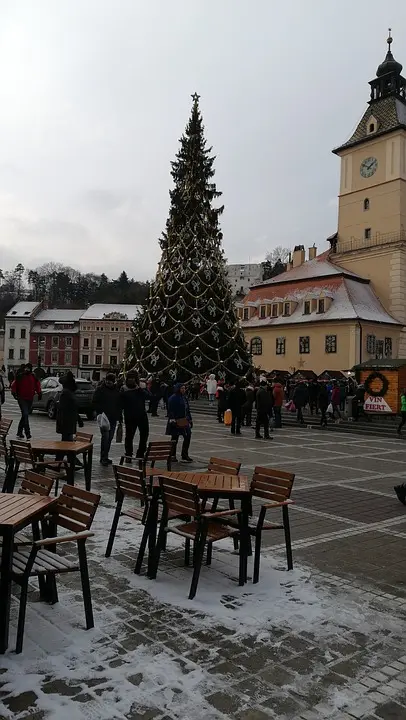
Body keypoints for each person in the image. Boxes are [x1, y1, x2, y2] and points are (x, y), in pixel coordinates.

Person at [93, 372, 122, 466]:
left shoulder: (117, 390)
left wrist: (120, 417)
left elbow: (119, 405)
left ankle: (106, 456)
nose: (108, 382)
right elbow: (94, 402)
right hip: (104, 419)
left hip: (113, 418)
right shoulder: (100, 389)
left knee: (109, 438)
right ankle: (103, 458)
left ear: (114, 382)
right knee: (105, 438)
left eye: (110, 381)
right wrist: (100, 412)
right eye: (107, 380)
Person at [120, 371, 150, 461]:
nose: (131, 381)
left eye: (133, 379)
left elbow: (148, 396)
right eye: (130, 379)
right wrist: (119, 416)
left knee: (144, 435)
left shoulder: (140, 388)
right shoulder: (123, 389)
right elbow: (120, 403)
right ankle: (128, 455)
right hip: (130, 416)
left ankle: (140, 453)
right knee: (129, 436)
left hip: (142, 415)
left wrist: (140, 389)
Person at [11, 363, 41, 440]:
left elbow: (37, 385)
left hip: (30, 398)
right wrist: (14, 393)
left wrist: (39, 392)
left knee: (24, 415)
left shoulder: (33, 377)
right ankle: (28, 433)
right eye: (26, 368)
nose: (27, 370)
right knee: (25, 414)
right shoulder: (20, 376)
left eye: (28, 368)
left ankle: (19, 432)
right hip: (22, 398)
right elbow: (14, 384)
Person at [166, 383, 193, 462]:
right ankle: (172, 455)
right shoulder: (173, 398)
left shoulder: (184, 398)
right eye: (182, 388)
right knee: (175, 438)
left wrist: (190, 419)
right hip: (176, 420)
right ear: (178, 389)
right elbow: (170, 410)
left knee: (188, 435)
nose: (183, 390)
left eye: (184, 388)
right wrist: (172, 420)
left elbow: (187, 409)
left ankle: (184, 454)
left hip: (184, 420)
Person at [56, 371, 84, 442]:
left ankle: (63, 453)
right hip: (67, 423)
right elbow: (68, 408)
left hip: (67, 423)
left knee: (66, 442)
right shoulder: (68, 393)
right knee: (67, 443)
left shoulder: (67, 392)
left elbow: (69, 408)